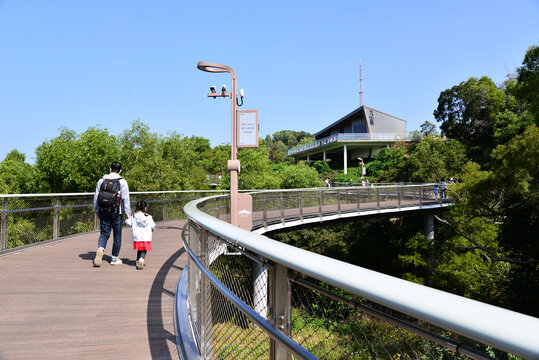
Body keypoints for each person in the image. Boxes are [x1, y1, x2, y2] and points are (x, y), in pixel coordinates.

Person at [93, 161, 131, 267]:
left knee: (104, 234)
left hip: (104, 210)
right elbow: (126, 199)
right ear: (120, 171)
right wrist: (128, 214)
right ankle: (114, 259)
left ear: (110, 169)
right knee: (117, 236)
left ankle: (101, 249)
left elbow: (96, 197)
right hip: (116, 212)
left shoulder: (102, 180)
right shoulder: (122, 182)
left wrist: (97, 210)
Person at [126, 200, 156, 270]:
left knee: (139, 248)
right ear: (145, 208)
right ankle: (141, 258)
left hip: (137, 236)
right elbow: (153, 225)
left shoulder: (134, 216)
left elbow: (128, 223)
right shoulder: (149, 217)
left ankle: (137, 261)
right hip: (146, 236)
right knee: (144, 249)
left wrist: (129, 218)